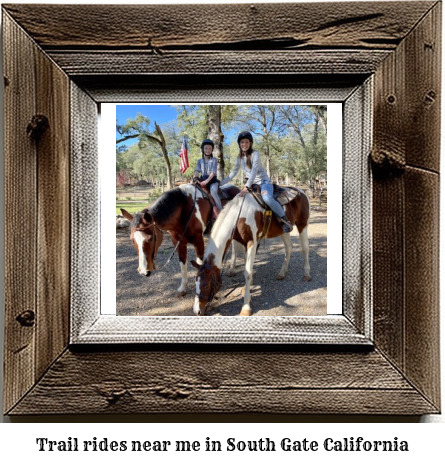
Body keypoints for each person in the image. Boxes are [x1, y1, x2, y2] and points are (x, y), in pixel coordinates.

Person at [219, 131, 293, 233]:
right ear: (239, 144)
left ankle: (284, 220)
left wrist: (246, 187)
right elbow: (233, 173)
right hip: (253, 185)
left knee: (267, 199)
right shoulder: (239, 158)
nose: (244, 144)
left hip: (264, 182)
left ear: (250, 143)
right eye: (242, 142)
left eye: (246, 142)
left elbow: (254, 172)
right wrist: (220, 183)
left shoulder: (255, 154)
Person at [191, 139, 222, 216]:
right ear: (203, 149)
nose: (208, 150)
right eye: (206, 148)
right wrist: (195, 178)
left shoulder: (214, 160)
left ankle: (221, 210)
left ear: (212, 150)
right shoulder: (199, 161)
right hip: (202, 179)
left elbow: (213, 172)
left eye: (210, 149)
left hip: (212, 180)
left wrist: (207, 181)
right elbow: (197, 171)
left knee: (213, 192)